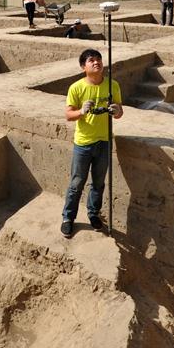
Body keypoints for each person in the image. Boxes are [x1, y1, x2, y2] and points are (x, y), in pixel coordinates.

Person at [61, 49, 123, 238]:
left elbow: (120, 113)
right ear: (83, 67)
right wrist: (81, 111)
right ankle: (68, 218)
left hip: (104, 141)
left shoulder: (113, 86)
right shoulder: (76, 88)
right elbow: (68, 115)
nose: (96, 63)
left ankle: (93, 214)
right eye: (91, 60)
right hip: (83, 143)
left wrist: (116, 110)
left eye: (98, 60)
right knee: (76, 183)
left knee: (98, 183)